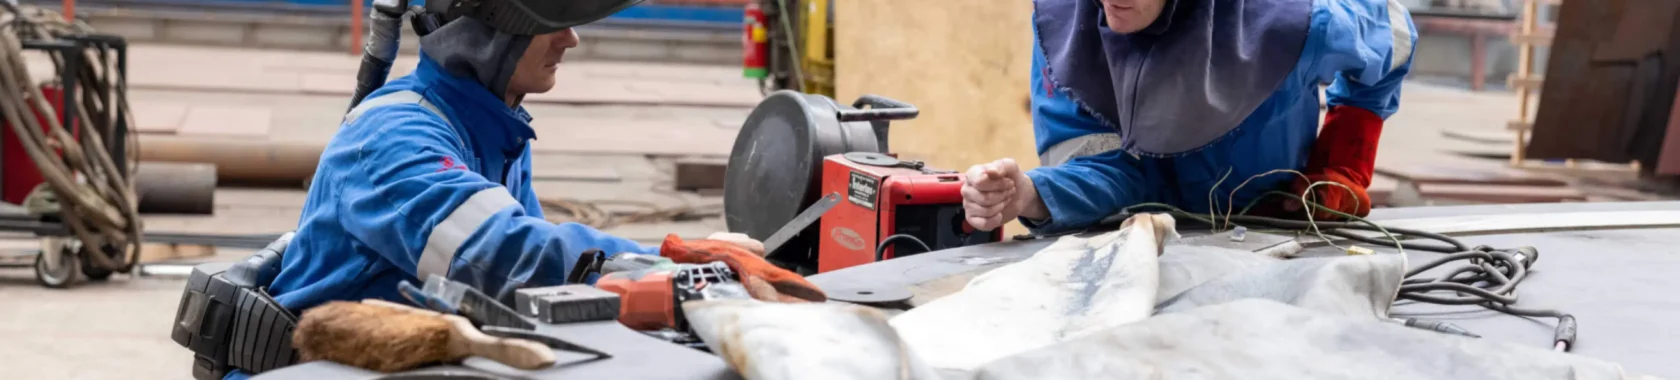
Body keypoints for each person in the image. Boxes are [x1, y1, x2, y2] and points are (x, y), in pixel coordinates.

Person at [960, 0, 1417, 234]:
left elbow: (1394, 32)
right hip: (1150, 251)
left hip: (1280, 231)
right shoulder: (1068, 35)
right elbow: (1108, 169)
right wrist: (1030, 194)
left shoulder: (1291, 26)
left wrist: (1342, 163)